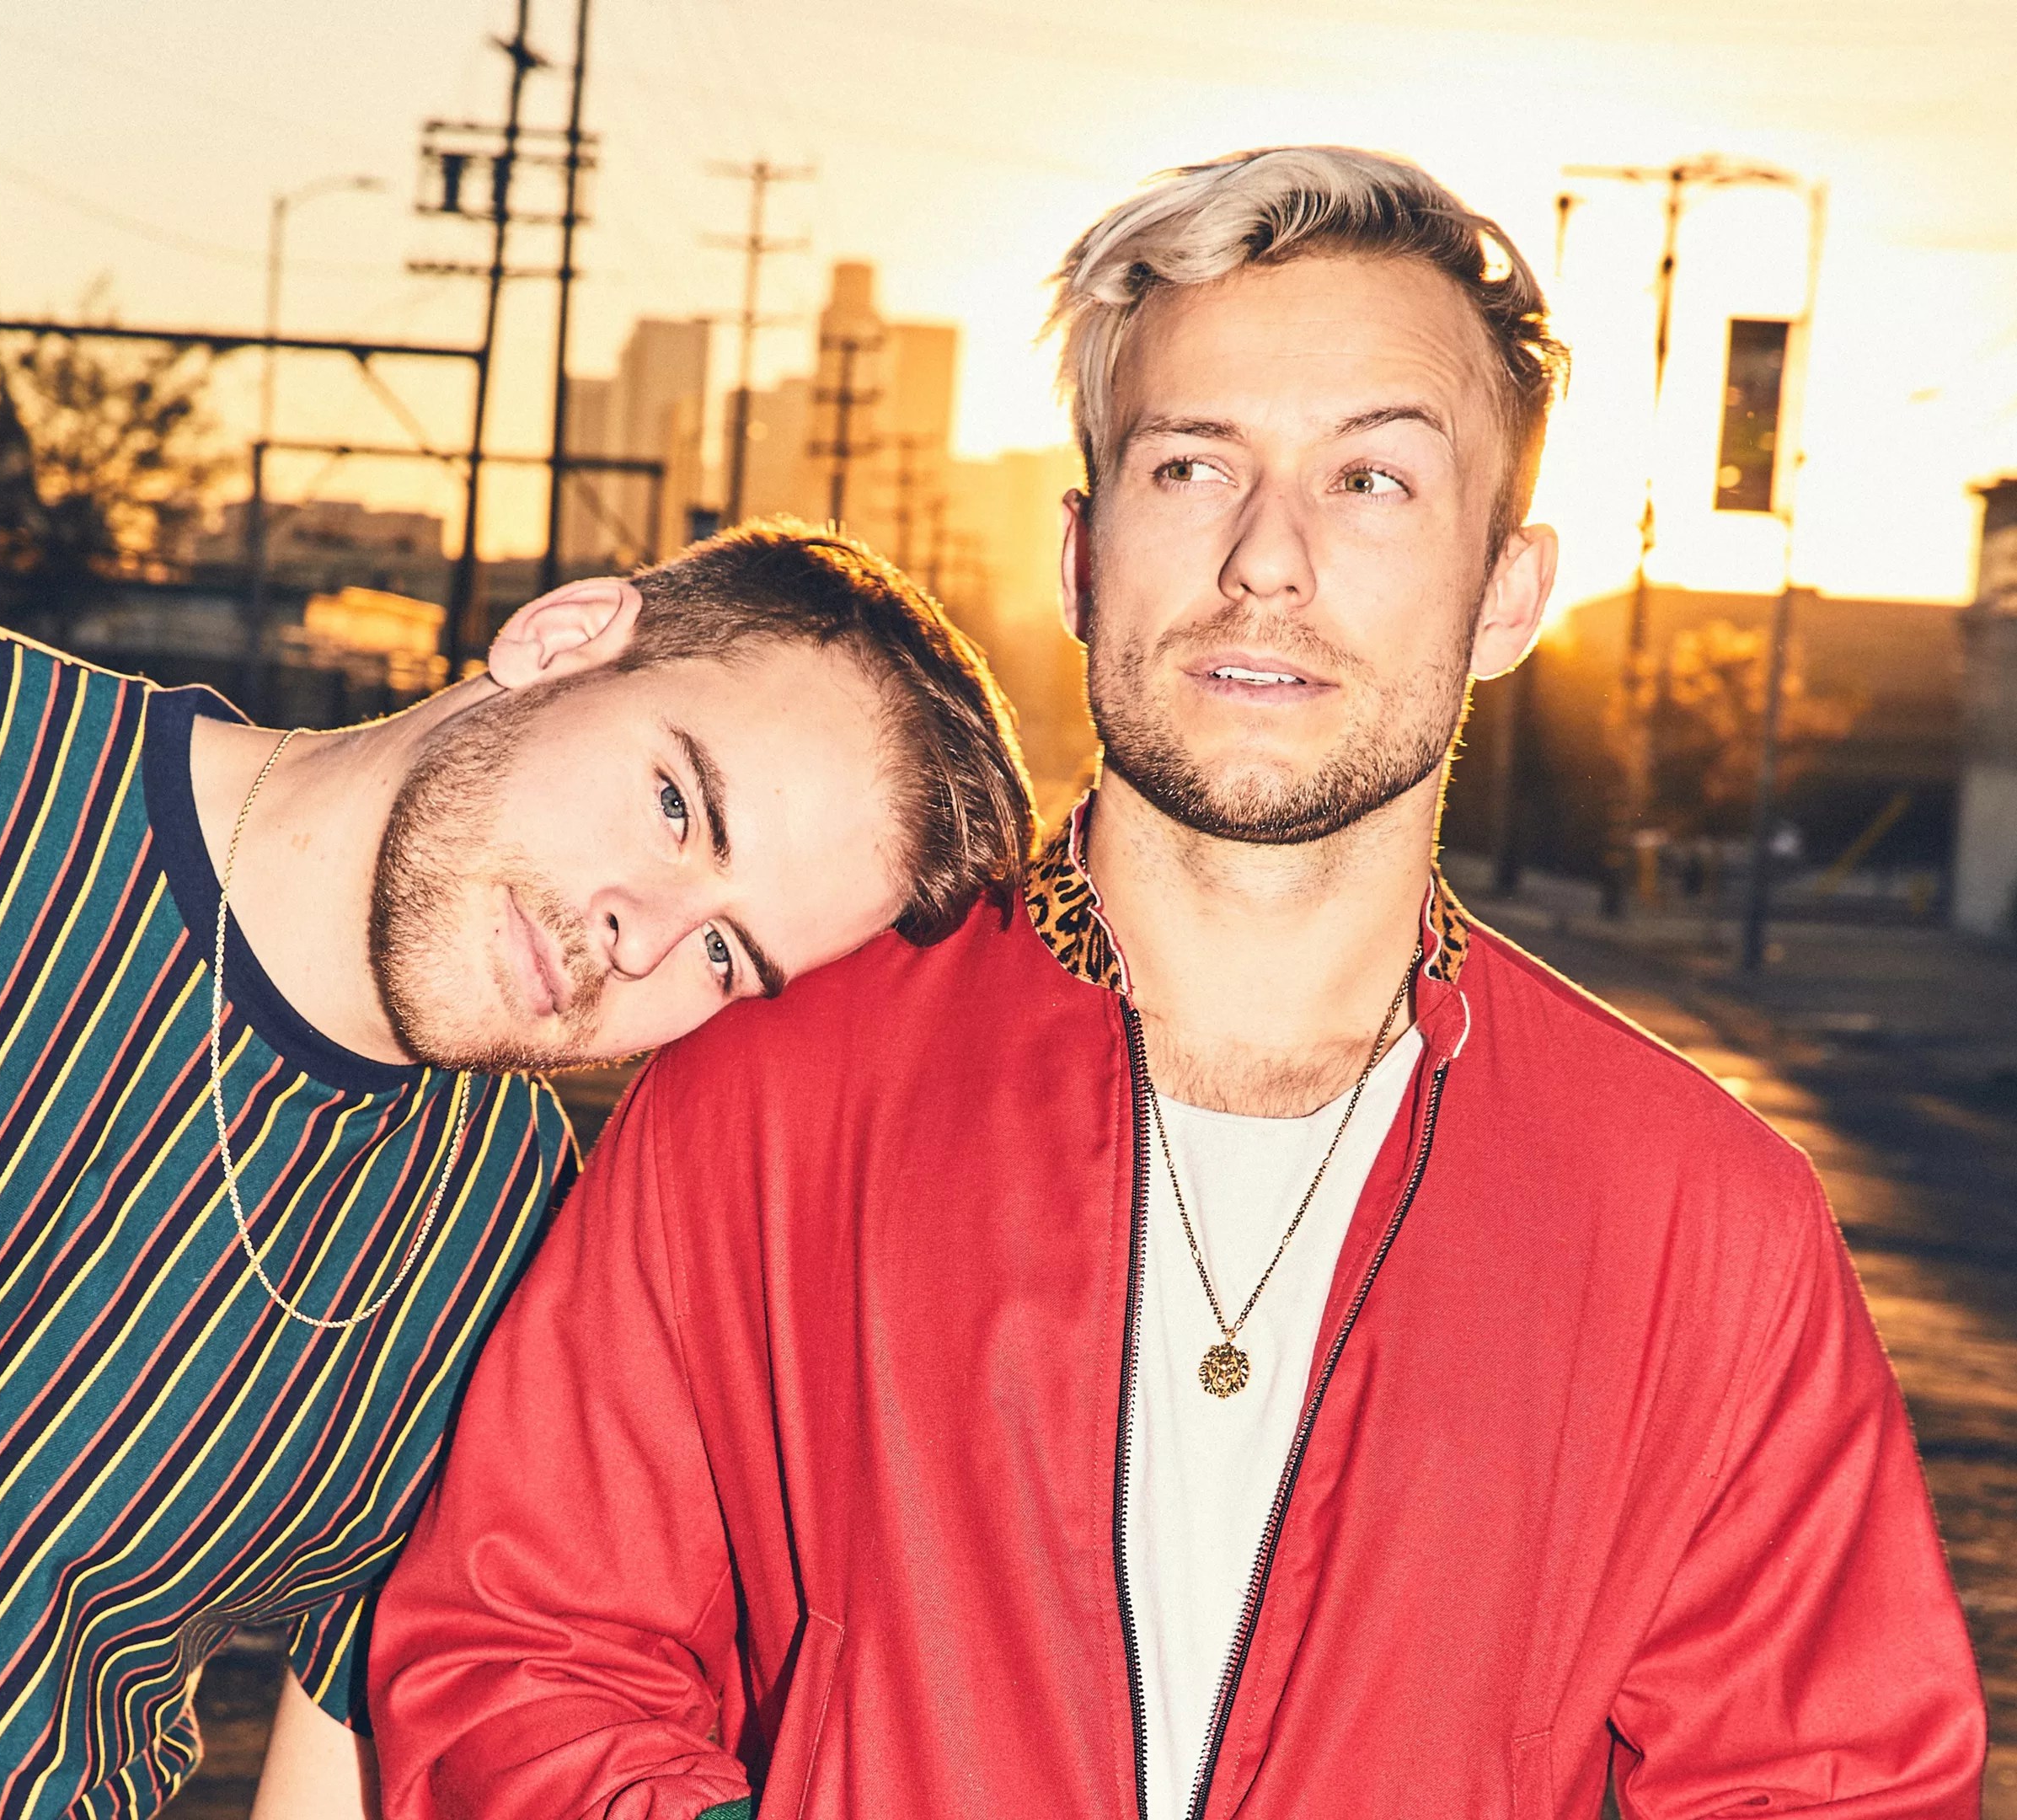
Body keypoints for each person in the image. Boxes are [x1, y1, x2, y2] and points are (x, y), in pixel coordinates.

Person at [371, 147, 1988, 1817]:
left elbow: (1829, 1784)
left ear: (1507, 594)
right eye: (1192, 465)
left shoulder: (1702, 1217)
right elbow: (526, 1654)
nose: (1266, 559)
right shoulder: (770, 1098)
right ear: (1082, 558)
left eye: (1372, 480)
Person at [0, 523, 1031, 1820]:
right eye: (675, 804)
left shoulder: (512, 1240)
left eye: (731, 956)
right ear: (561, 639)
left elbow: (345, 1762)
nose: (644, 935)